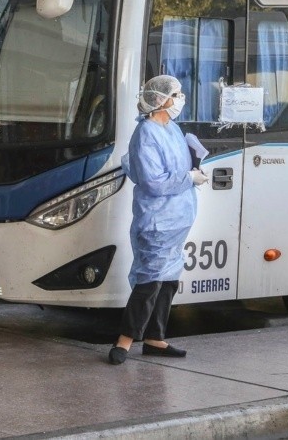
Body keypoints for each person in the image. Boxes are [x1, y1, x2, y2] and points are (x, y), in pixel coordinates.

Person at [108, 75, 208, 365]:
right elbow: (153, 182)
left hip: (178, 219)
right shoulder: (146, 133)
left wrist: (194, 172)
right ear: (161, 99)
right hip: (157, 220)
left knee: (168, 281)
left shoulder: (173, 129)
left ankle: (155, 338)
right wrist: (189, 178)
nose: (180, 99)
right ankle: (124, 341)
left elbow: (179, 170)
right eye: (176, 95)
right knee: (149, 282)